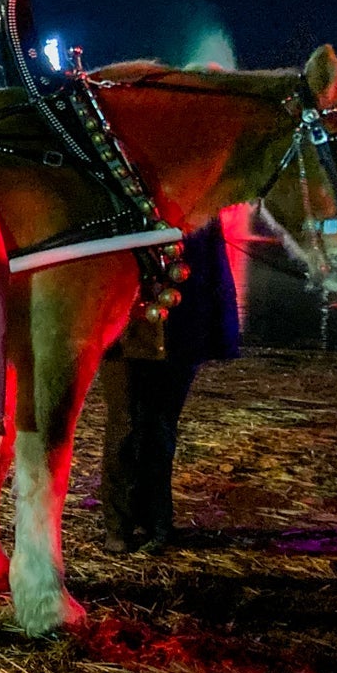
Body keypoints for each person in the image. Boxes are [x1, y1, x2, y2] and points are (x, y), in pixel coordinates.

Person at [98, 213, 241, 553]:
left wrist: (215, 331)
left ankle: (157, 524)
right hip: (127, 328)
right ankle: (118, 527)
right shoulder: (125, 199)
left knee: (161, 428)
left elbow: (211, 270)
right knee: (126, 424)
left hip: (180, 328)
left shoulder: (200, 207)